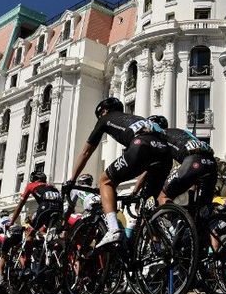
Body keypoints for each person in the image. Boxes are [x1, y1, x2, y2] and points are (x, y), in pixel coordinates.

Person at [67, 97, 171, 248]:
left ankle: (114, 229)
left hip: (141, 146)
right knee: (153, 206)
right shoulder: (136, 118)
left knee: (105, 181)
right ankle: (164, 245)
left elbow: (86, 152)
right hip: (164, 152)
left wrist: (72, 179)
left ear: (104, 111)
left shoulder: (105, 118)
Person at [147, 115, 218, 217]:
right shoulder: (183, 132)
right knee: (202, 215)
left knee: (162, 196)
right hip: (211, 163)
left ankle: (175, 226)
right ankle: (211, 231)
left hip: (194, 161)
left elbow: (157, 167)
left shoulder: (159, 137)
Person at [7, 171, 62, 269]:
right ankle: (44, 250)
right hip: (59, 209)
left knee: (30, 233)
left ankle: (28, 263)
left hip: (46, 207)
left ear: (33, 179)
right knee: (43, 231)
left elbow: (20, 205)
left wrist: (12, 221)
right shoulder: (53, 187)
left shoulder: (31, 185)